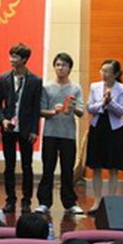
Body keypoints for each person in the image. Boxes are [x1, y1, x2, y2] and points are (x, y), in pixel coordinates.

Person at [36, 53, 85, 215]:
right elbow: (40, 110)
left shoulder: (76, 88)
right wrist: (53, 111)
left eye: (64, 65)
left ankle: (69, 203)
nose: (60, 68)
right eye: (57, 65)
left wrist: (73, 107)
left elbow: (81, 112)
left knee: (67, 170)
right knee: (48, 169)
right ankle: (44, 202)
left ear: (70, 68)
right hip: (50, 133)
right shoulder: (47, 87)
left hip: (68, 134)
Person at [0, 43, 42, 214]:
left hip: (26, 128)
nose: (12, 59)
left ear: (24, 59)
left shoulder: (35, 80)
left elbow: (36, 107)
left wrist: (35, 130)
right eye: (11, 55)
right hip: (8, 129)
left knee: (27, 166)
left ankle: (26, 200)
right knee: (9, 166)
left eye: (15, 56)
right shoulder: (4, 78)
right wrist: (2, 120)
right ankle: (10, 200)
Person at [86, 59, 123, 214]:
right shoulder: (94, 86)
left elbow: (122, 110)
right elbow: (90, 108)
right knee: (96, 165)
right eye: (102, 70)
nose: (103, 74)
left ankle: (111, 200)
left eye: (107, 71)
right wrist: (102, 103)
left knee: (113, 166)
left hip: (114, 129)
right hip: (98, 127)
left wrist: (110, 103)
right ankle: (97, 201)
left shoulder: (122, 88)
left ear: (115, 74)